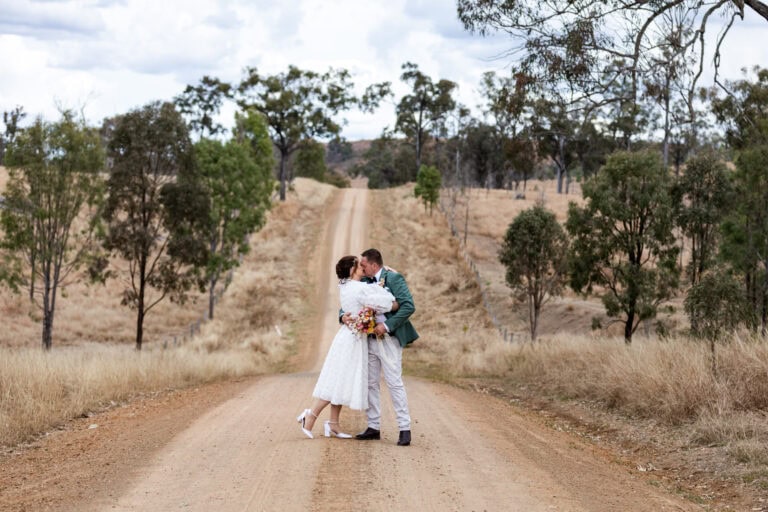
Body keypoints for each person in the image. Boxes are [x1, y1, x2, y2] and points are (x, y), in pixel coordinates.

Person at [297, 255, 398, 439]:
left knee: (341, 379)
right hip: (352, 340)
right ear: (352, 270)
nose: (362, 266)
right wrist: (391, 288)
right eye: (358, 265)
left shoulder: (346, 286)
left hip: (348, 336)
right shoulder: (359, 288)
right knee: (338, 380)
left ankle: (333, 424)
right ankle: (310, 416)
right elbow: (386, 301)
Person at [344, 248, 418, 447]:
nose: (361, 267)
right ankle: (373, 426)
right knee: (371, 383)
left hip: (389, 339)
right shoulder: (363, 282)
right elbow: (348, 301)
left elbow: (408, 306)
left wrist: (386, 326)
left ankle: (404, 428)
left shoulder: (393, 278)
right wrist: (342, 316)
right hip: (368, 340)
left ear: (374, 265)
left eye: (364, 264)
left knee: (394, 382)